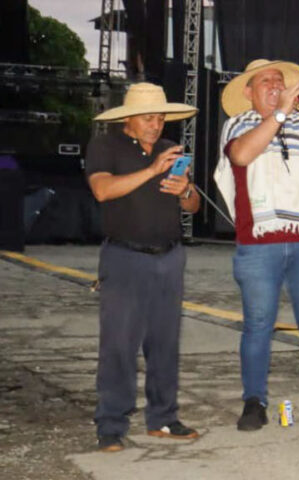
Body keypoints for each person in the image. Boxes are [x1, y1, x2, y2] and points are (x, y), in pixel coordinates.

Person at [214, 59, 299, 431]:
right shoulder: (240, 123)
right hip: (259, 241)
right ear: (248, 92)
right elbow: (242, 155)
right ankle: (254, 402)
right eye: (265, 81)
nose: (275, 85)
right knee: (258, 324)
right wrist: (279, 114)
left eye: (279, 80)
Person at [86, 83, 201, 451]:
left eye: (161, 117)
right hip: (124, 256)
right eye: (149, 118)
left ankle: (163, 418)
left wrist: (184, 189)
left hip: (169, 255)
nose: (156, 124)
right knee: (119, 343)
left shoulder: (170, 149)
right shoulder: (105, 146)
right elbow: (102, 190)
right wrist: (152, 170)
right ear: (128, 120)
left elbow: (194, 207)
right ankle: (110, 423)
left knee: (165, 343)